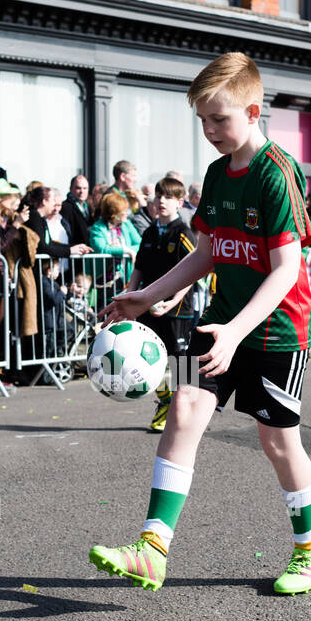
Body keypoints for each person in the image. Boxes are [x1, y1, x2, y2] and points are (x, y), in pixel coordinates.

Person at [89, 50, 311, 596]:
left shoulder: (277, 173)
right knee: (183, 408)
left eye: (218, 118)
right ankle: (152, 549)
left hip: (274, 331)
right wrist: (144, 297)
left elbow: (286, 268)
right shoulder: (217, 174)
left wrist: (237, 331)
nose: (210, 130)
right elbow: (206, 253)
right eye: (202, 120)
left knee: (277, 441)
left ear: (253, 110)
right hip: (219, 319)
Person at [125, 176, 197, 433]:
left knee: (183, 363)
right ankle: (165, 402)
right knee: (148, 361)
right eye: (159, 196)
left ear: (180, 202)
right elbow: (138, 270)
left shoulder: (184, 233)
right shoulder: (149, 232)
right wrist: (128, 299)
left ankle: (188, 412)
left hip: (178, 310)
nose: (161, 201)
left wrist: (173, 301)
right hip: (149, 307)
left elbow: (193, 273)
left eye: (168, 197)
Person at [88, 190, 142, 282]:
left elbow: (140, 243)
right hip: (104, 279)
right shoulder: (98, 227)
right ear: (114, 213)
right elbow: (101, 249)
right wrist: (125, 250)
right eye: (124, 210)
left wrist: (124, 249)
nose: (127, 213)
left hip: (126, 275)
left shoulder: (127, 224)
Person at [60, 174, 92, 248]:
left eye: (85, 188)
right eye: (78, 188)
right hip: (74, 251)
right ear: (70, 189)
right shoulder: (65, 207)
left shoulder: (89, 207)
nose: (82, 191)